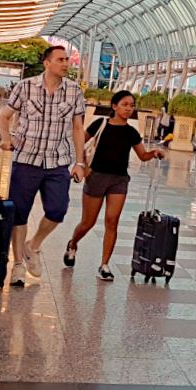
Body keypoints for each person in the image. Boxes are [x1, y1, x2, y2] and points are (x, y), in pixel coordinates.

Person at [0, 45, 86, 288]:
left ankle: (33, 245)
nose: (66, 64)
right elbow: (3, 116)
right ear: (47, 63)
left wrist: (80, 162)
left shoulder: (75, 91)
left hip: (58, 161)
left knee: (57, 210)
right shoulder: (25, 87)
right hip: (26, 159)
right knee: (19, 213)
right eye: (60, 60)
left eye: (67, 60)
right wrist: (6, 138)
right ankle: (17, 266)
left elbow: (78, 128)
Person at [64, 90, 165, 281]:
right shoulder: (100, 124)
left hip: (119, 180)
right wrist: (82, 165)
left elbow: (142, 156)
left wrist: (154, 153)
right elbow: (79, 142)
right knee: (88, 222)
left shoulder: (131, 132)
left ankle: (104, 265)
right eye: (124, 104)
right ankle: (73, 244)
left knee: (112, 221)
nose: (128, 108)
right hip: (96, 177)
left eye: (131, 105)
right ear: (114, 106)